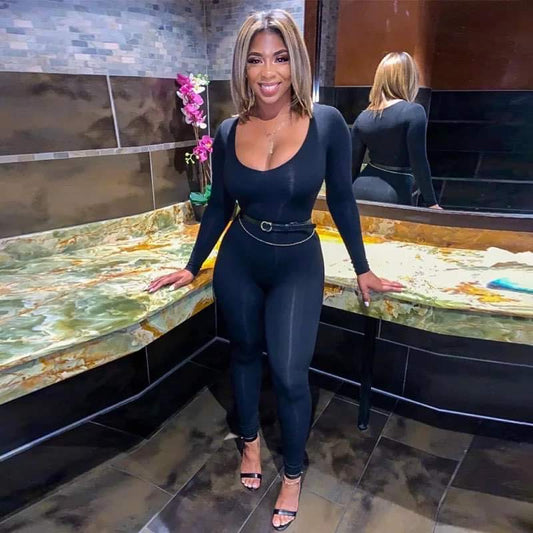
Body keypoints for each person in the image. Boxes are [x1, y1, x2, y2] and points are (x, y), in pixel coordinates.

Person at [147, 10, 403, 531]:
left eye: (280, 58)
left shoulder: (327, 123)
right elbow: (220, 207)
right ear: (242, 68)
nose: (269, 72)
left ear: (296, 63)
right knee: (243, 354)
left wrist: (363, 268)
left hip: (297, 262)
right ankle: (249, 442)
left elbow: (343, 199)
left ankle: (293, 471)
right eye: (256, 60)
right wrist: (192, 266)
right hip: (240, 258)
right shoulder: (227, 131)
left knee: (289, 373)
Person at [351, 52, 442, 208]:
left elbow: (352, 166)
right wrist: (431, 203)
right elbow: (419, 161)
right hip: (394, 192)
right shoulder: (414, 111)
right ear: (409, 79)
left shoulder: (363, 117)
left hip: (358, 190)